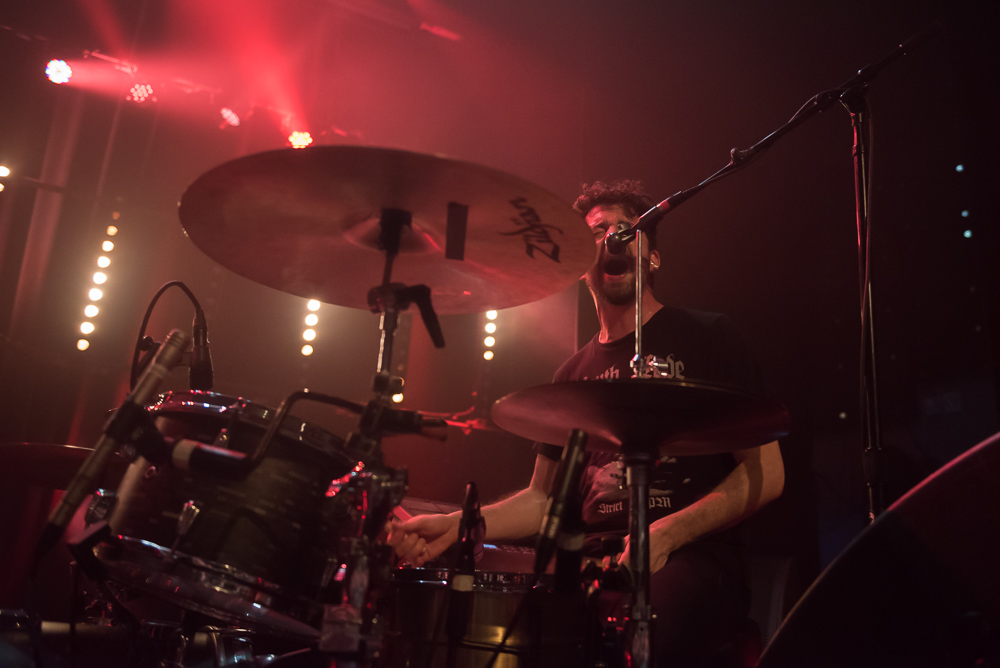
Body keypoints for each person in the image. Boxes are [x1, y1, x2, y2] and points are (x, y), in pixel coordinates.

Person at [388, 180, 785, 667]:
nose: (613, 238)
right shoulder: (570, 375)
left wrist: (667, 533)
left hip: (692, 556)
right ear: (580, 263)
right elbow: (542, 501)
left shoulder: (709, 336)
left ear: (653, 258)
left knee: (637, 638)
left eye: (627, 229)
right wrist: (455, 526)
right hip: (590, 561)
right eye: (598, 233)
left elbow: (767, 473)